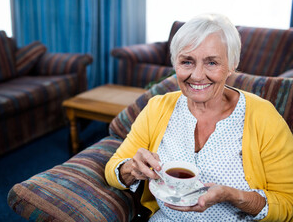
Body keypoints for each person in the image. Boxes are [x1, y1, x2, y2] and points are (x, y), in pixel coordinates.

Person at [105, 13, 293, 221]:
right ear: (174, 63)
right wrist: (131, 168)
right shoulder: (158, 108)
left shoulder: (263, 117)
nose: (197, 75)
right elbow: (113, 169)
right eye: (187, 62)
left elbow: (288, 203)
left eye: (212, 63)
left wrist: (234, 196)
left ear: (232, 64)